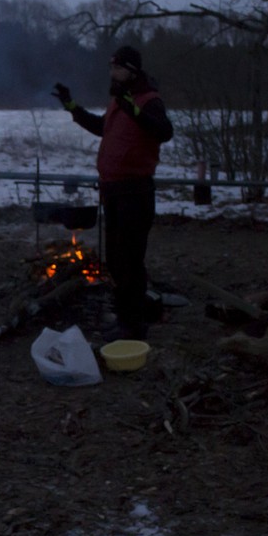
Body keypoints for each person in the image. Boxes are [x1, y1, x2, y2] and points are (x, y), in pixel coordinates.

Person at [52, 45, 174, 341]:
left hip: (135, 192)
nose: (112, 73)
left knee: (130, 259)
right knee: (117, 259)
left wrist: (133, 109)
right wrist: (71, 106)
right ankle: (124, 317)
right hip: (114, 191)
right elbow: (102, 127)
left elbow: (164, 132)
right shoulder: (119, 102)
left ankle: (133, 325)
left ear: (132, 71)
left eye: (118, 68)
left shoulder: (148, 100)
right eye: (111, 67)